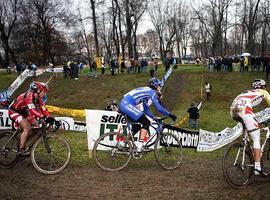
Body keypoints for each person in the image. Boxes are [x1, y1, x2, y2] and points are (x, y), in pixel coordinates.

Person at [119, 78, 177, 152]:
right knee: (146, 122)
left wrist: (153, 117)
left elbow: (145, 108)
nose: (160, 87)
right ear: (155, 85)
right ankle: (139, 146)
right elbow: (158, 107)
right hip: (127, 105)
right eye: (159, 86)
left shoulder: (146, 91)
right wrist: (170, 114)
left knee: (136, 127)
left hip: (124, 104)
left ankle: (122, 143)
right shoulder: (151, 92)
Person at [230, 79, 270, 176]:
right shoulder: (263, 92)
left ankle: (246, 142)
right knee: (256, 137)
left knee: (251, 127)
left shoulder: (247, 92)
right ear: (264, 87)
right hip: (244, 110)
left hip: (232, 110)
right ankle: (257, 167)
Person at [8, 82, 55, 156]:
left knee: (37, 128)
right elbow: (32, 110)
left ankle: (24, 142)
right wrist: (44, 117)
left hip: (24, 113)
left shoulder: (39, 99)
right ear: (38, 90)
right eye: (44, 91)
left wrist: (52, 119)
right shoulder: (29, 96)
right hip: (14, 111)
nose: (45, 94)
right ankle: (20, 150)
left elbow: (44, 110)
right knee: (27, 127)